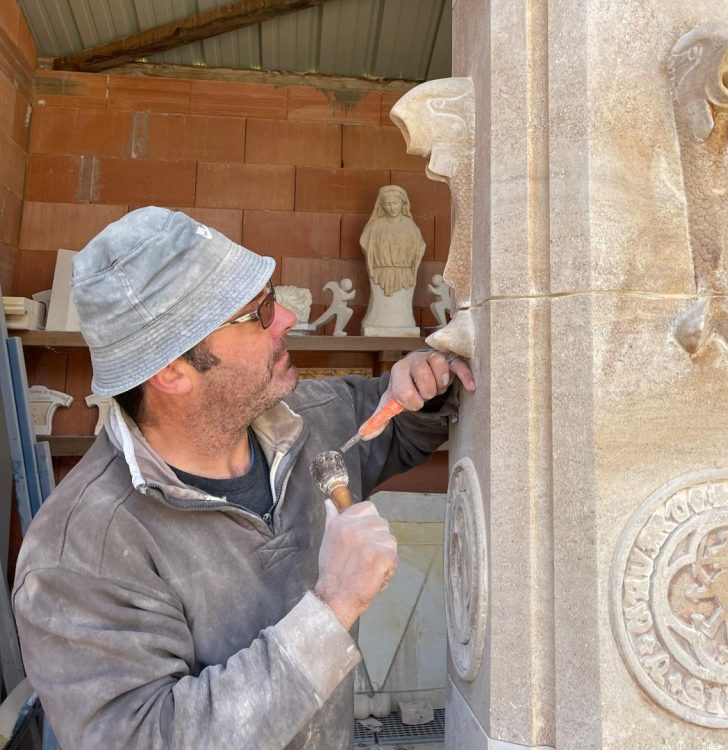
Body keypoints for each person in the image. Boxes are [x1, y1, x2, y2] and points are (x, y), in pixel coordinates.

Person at [11, 207, 475, 749]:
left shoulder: (308, 417)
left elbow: (394, 426)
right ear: (172, 372)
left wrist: (422, 383)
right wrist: (331, 609)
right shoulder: (80, 552)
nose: (284, 321)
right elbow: (146, 738)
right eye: (258, 314)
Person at [360, 185, 424, 334]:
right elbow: (365, 243)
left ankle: (404, 323)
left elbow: (419, 248)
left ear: (403, 204)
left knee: (402, 309)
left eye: (395, 203)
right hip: (380, 273)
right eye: (388, 204)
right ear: (382, 205)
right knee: (380, 307)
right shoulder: (374, 227)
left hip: (405, 274)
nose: (392, 208)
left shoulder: (411, 227)